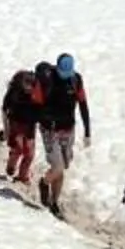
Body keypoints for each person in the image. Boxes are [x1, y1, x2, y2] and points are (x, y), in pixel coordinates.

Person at [37, 51, 91, 216]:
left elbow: (82, 104)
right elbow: (37, 106)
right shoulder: (47, 80)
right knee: (58, 166)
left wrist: (87, 131)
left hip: (68, 129)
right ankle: (44, 183)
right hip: (50, 130)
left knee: (63, 167)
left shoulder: (76, 81)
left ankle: (54, 202)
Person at [0, 66, 42, 187]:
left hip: (29, 126)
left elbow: (40, 109)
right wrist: (7, 128)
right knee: (17, 149)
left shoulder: (37, 93)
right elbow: (5, 108)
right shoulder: (14, 92)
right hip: (15, 123)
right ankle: (11, 167)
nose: (29, 89)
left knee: (29, 154)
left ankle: (22, 176)